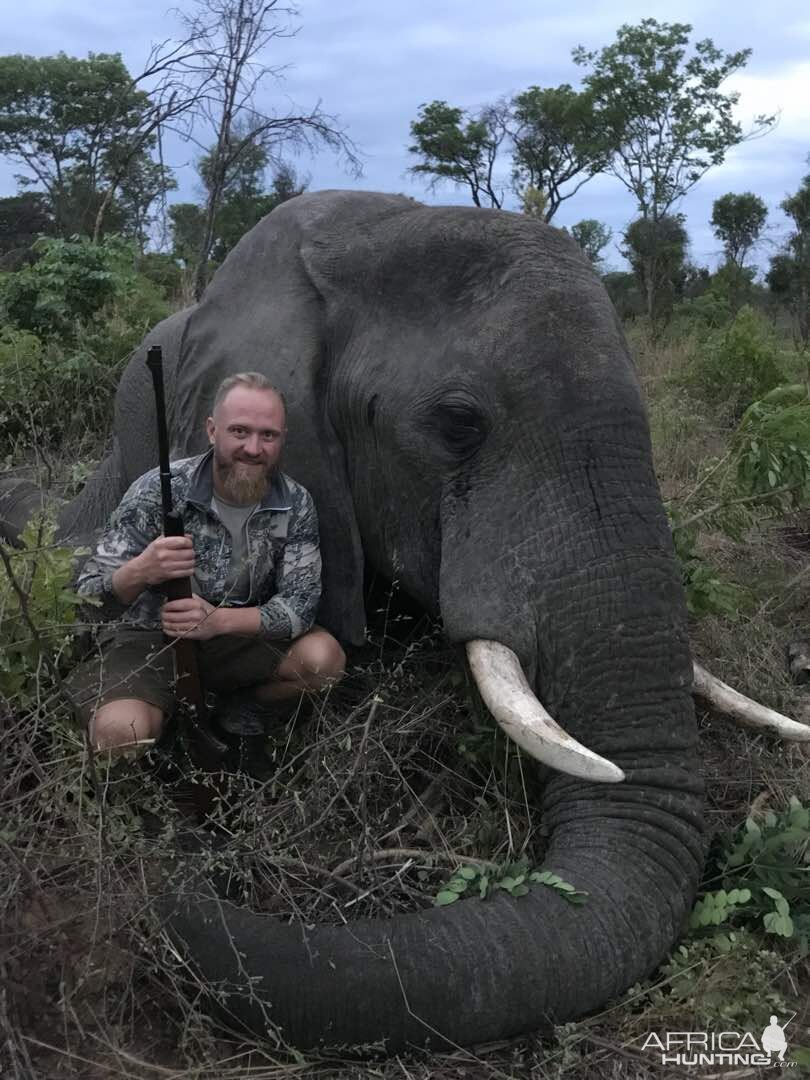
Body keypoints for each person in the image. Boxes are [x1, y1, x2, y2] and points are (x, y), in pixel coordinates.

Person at [69, 371, 345, 771]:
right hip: (147, 639)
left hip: (234, 637)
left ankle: (237, 714)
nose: (253, 448)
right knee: (120, 733)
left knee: (323, 660)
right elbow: (88, 600)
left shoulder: (294, 503)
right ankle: (151, 768)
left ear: (283, 438)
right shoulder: (156, 491)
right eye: (239, 431)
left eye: (268, 435)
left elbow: (300, 607)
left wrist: (219, 621)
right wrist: (142, 570)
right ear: (212, 431)